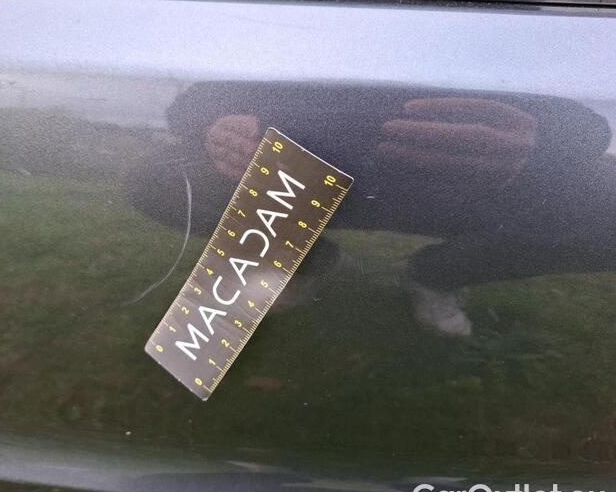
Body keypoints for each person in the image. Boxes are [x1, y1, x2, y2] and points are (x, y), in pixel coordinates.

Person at [125, 82, 613, 335]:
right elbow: (194, 99)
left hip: (468, 181)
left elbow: (586, 123)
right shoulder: (302, 9)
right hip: (299, 176)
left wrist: (542, 144)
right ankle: (307, 262)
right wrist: (215, 124)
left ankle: (437, 275)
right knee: (157, 179)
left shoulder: (499, 13)